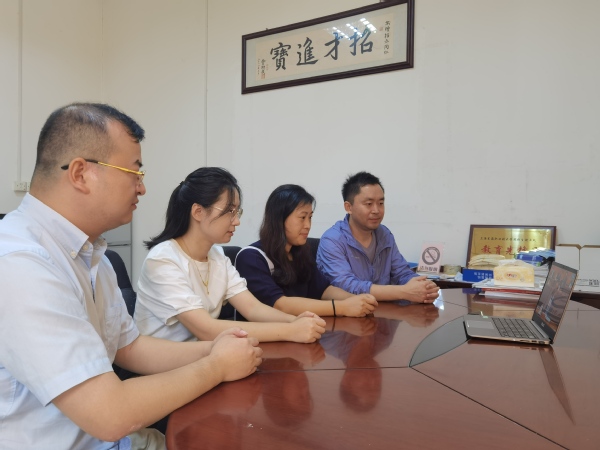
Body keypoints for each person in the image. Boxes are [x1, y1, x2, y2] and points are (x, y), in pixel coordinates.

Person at [0, 103, 262, 450]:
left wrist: (214, 348)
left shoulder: (94, 255)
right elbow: (108, 414)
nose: (142, 188)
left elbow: (129, 347)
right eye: (133, 172)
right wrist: (216, 365)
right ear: (80, 174)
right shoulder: (20, 262)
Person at [135, 169, 326, 344]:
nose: (236, 221)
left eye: (237, 212)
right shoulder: (162, 260)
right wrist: (290, 330)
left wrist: (295, 320)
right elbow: (207, 329)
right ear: (198, 212)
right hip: (166, 364)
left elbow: (252, 308)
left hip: (206, 355)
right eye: (229, 211)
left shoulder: (217, 256)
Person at [235, 184, 378, 317]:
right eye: (302, 218)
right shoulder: (251, 257)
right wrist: (342, 307)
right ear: (279, 219)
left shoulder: (300, 252)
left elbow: (324, 290)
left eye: (310, 217)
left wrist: (355, 300)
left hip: (301, 330)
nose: (308, 225)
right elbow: (279, 305)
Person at [316, 172, 439, 303]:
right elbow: (347, 286)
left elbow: (402, 273)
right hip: (347, 313)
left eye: (381, 203)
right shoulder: (332, 240)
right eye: (369, 204)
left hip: (385, 311)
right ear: (349, 207)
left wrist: (423, 286)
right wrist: (404, 291)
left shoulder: (384, 234)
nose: (376, 210)